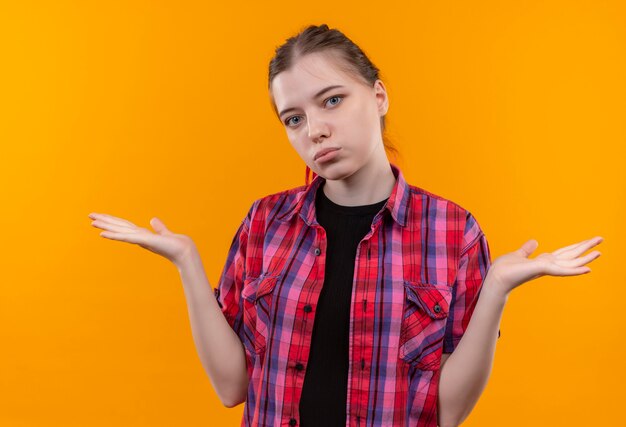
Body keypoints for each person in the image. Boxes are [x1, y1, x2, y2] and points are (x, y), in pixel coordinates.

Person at [88, 24, 603, 427]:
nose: (315, 130)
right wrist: (186, 261)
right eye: (293, 118)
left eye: (331, 100)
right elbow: (231, 388)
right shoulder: (264, 222)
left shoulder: (453, 231)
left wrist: (497, 289)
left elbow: (448, 413)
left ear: (378, 98)